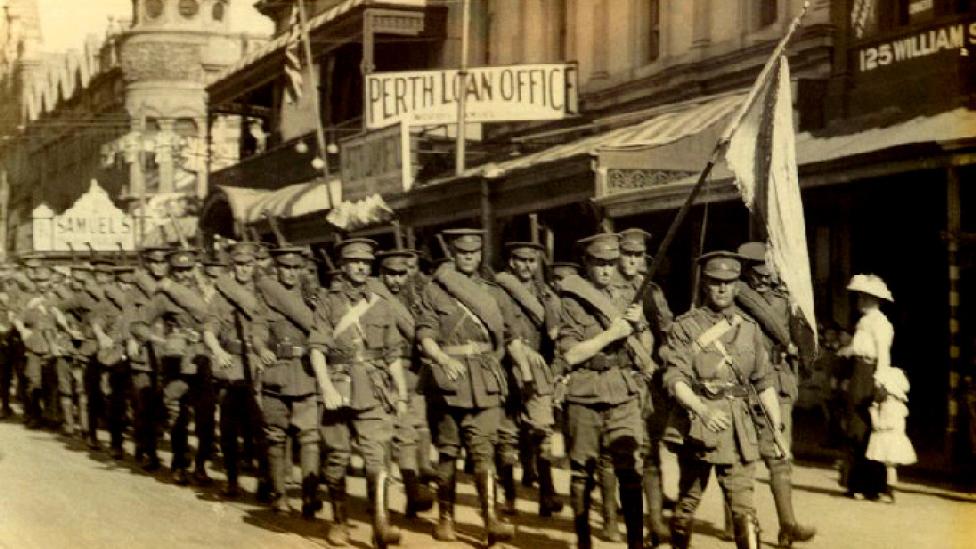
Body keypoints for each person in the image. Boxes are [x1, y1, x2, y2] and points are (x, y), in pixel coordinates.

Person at [660, 251, 782, 549]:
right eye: (715, 282)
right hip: (698, 427)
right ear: (705, 284)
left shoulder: (750, 329)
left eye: (729, 282)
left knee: (744, 508)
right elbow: (674, 380)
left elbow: (764, 381)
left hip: (740, 427)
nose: (722, 288)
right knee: (688, 502)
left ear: (737, 285)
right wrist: (701, 410)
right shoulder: (685, 327)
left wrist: (776, 428)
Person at [416, 228, 515, 546]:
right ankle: (445, 518)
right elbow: (425, 334)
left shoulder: (494, 293)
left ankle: (490, 521)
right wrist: (442, 359)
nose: (469, 257)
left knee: (483, 452)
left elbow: (508, 336)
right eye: (462, 253)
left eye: (474, 253)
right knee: (447, 452)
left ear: (480, 254)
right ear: (454, 255)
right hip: (449, 380)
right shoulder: (435, 291)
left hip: (485, 381)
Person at [310, 238, 407, 547]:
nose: (361, 267)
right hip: (338, 384)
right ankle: (339, 522)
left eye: (366, 262)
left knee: (377, 452)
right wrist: (324, 386)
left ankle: (381, 523)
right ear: (343, 266)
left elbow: (392, 354)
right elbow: (317, 349)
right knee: (337, 454)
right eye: (355, 262)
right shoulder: (328, 302)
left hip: (374, 385)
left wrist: (401, 391)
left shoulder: (381, 303)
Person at [556, 232, 649, 549]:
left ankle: (635, 543)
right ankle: (584, 541)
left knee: (629, 468)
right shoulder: (570, 300)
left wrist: (637, 328)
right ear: (586, 263)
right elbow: (570, 354)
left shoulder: (628, 298)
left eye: (612, 262)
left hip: (621, 390)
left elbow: (643, 346)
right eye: (599, 263)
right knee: (582, 470)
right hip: (584, 391)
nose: (607, 270)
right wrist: (613, 333)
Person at [733, 242, 815, 547]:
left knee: (779, 456)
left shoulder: (785, 299)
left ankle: (787, 525)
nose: (766, 278)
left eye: (768, 271)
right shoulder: (737, 297)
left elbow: (802, 342)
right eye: (759, 273)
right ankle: (741, 521)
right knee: (740, 459)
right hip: (741, 385)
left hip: (776, 386)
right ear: (748, 271)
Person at [132, 249, 215, 485]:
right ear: (172, 271)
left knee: (206, 417)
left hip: (206, 358)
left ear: (195, 268)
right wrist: (161, 340)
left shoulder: (208, 291)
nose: (184, 274)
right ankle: (180, 464)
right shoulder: (163, 298)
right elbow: (138, 325)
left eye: (188, 269)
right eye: (178, 270)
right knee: (179, 415)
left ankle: (202, 466)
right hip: (178, 361)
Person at [494, 240, 563, 517]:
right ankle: (509, 497)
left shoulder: (546, 294)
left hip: (539, 369)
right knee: (507, 435)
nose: (526, 266)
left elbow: (555, 334)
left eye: (532, 261)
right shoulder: (500, 292)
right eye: (521, 260)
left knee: (542, 432)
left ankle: (546, 494)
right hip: (507, 368)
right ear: (512, 261)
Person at [203, 242, 275, 500]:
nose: (244, 269)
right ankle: (232, 480)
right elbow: (209, 328)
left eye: (249, 264)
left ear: (256, 265)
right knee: (230, 425)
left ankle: (266, 481)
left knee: (262, 426)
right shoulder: (222, 295)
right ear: (233, 266)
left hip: (259, 361)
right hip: (233, 363)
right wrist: (217, 351)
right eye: (240, 265)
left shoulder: (265, 291)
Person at [616, 227, 673, 546]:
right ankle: (621, 522)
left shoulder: (653, 291)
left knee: (651, 452)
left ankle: (655, 521)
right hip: (621, 380)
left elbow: (665, 327)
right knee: (623, 455)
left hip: (649, 385)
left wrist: (667, 348)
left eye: (638, 256)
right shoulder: (609, 290)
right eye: (628, 254)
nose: (633, 261)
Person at [254, 247, 320, 515]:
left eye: (295, 268)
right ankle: (279, 493)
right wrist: (261, 348)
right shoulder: (266, 299)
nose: (291, 273)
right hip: (277, 375)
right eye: (285, 268)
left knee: (310, 437)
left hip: (306, 373)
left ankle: (310, 495)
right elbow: (257, 330)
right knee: (275, 437)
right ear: (277, 269)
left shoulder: (313, 298)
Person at [371, 247, 435, 519]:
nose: (397, 279)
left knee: (414, 431)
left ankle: (412, 495)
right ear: (381, 273)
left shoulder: (414, 299)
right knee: (386, 439)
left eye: (402, 274)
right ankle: (387, 498)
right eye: (391, 274)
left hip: (413, 373)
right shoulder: (373, 299)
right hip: (382, 374)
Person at [838, 273, 895, 501]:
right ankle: (857, 483)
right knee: (855, 425)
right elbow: (859, 348)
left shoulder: (880, 323)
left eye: (864, 297)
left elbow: (882, 354)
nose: (860, 300)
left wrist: (881, 381)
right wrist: (847, 351)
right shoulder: (863, 322)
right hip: (859, 371)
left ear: (873, 299)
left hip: (869, 374)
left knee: (867, 427)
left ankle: (872, 485)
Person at [865, 364, 916, 503]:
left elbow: (880, 425)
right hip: (894, 438)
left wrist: (873, 411)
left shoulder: (889, 406)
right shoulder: (899, 405)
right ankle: (888, 491)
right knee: (890, 467)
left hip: (888, 439)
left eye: (880, 387)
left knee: (889, 467)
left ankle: (889, 492)